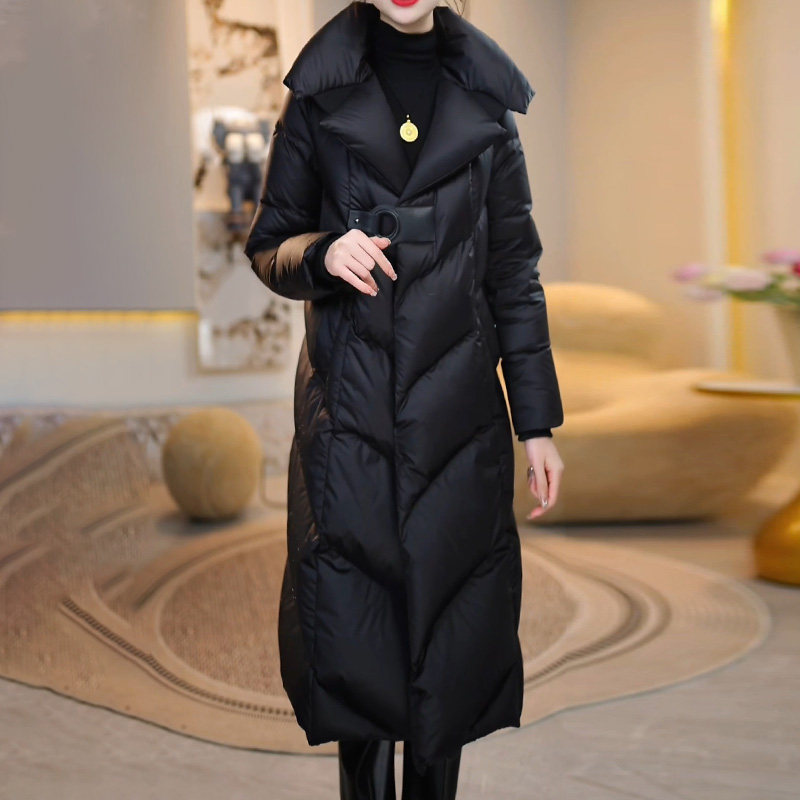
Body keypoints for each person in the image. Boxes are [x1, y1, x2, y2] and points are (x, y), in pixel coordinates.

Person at [243, 1, 565, 797]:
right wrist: (324, 252)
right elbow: (269, 246)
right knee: (357, 646)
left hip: (459, 417)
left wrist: (537, 425)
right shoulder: (317, 95)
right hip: (351, 415)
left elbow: (514, 274)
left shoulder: (486, 101)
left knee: (448, 652)